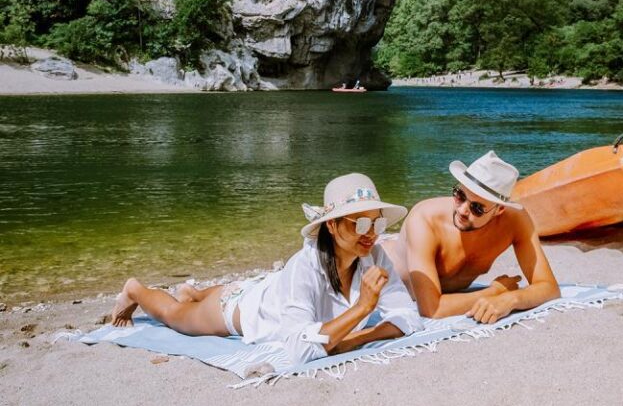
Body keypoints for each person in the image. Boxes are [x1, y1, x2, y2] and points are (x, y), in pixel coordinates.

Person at [111, 174, 423, 364]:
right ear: (331, 224)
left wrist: (355, 339)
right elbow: (301, 351)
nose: (372, 233)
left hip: (275, 287)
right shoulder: (306, 266)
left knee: (217, 294)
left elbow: (408, 317)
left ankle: (193, 291)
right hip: (249, 310)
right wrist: (362, 308)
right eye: (362, 223)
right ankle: (135, 289)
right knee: (176, 317)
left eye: (378, 221)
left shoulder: (375, 255)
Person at [383, 151, 560, 324]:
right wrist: (494, 292)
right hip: (377, 271)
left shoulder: (515, 221)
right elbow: (431, 309)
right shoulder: (424, 220)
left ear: (499, 210)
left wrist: (511, 300)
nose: (461, 210)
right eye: (460, 195)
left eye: (476, 208)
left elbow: (549, 287)